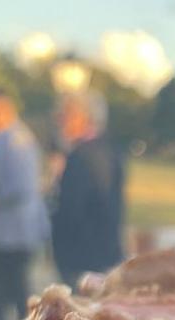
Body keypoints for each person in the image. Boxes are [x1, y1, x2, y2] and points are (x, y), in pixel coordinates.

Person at [0, 87, 50, 320]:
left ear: (0, 109)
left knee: (18, 295)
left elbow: (24, 185)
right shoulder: (0, 137)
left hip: (15, 233)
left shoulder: (17, 140)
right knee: (7, 293)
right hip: (4, 233)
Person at [51, 91, 124, 288]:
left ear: (84, 117)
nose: (60, 120)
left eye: (65, 114)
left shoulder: (86, 155)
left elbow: (76, 208)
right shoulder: (104, 148)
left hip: (86, 257)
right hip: (98, 253)